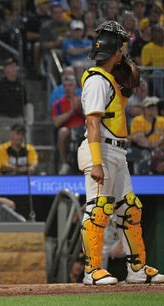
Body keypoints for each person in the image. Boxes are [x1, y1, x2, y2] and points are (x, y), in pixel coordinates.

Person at [77, 20, 164, 285]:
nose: (124, 53)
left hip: (117, 152)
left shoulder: (110, 80)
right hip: (99, 149)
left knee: (129, 210)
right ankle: (92, 270)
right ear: (115, 50)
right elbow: (92, 122)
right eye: (121, 48)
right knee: (98, 209)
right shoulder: (96, 81)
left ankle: (137, 270)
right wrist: (96, 162)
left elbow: (122, 97)